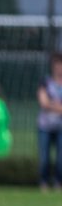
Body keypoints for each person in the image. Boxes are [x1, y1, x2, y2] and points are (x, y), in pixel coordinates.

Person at [37, 53, 62, 191]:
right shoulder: (46, 82)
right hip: (45, 126)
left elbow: (48, 103)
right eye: (57, 65)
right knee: (44, 159)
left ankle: (59, 184)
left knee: (60, 160)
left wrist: (51, 104)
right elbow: (44, 103)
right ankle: (44, 184)